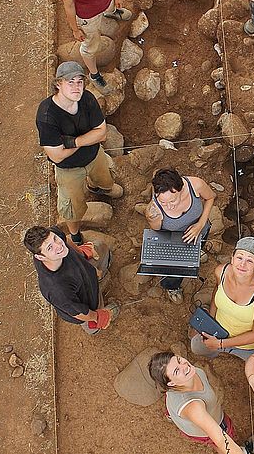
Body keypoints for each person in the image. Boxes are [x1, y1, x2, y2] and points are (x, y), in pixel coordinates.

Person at [36, 61, 123, 246]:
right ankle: (75, 234)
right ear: (58, 84)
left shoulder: (87, 99)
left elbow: (101, 132)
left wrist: (73, 141)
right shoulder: (47, 116)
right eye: (70, 82)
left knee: (106, 179)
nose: (77, 86)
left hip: (94, 155)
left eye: (80, 81)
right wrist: (87, 139)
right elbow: (57, 156)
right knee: (72, 208)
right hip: (69, 169)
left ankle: (98, 188)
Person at [191, 237, 254, 360]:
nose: (242, 264)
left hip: (249, 345)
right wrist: (211, 321)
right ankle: (220, 354)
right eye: (239, 257)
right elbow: (217, 290)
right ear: (232, 258)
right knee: (196, 347)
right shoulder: (221, 272)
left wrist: (220, 344)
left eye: (249, 261)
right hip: (219, 332)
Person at [23, 225, 119, 333]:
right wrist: (97, 316)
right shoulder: (57, 289)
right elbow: (79, 313)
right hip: (87, 299)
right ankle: (94, 327)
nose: (59, 246)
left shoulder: (51, 234)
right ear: (40, 257)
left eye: (55, 239)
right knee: (94, 315)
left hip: (84, 271)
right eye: (50, 248)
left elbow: (65, 239)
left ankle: (100, 273)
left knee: (101, 247)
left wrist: (82, 252)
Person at [148, 351, 247, 454]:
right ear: (171, 383)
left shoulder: (190, 374)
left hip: (209, 415)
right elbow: (221, 439)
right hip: (205, 430)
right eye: (177, 371)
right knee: (222, 439)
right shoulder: (193, 407)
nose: (184, 366)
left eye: (179, 360)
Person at [144, 168, 217, 304]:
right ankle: (172, 287)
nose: (169, 207)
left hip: (200, 231)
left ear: (181, 189)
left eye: (172, 201)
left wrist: (200, 224)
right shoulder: (154, 211)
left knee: (196, 248)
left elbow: (210, 197)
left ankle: (195, 252)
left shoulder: (196, 185)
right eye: (163, 202)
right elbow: (158, 234)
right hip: (174, 241)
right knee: (176, 271)